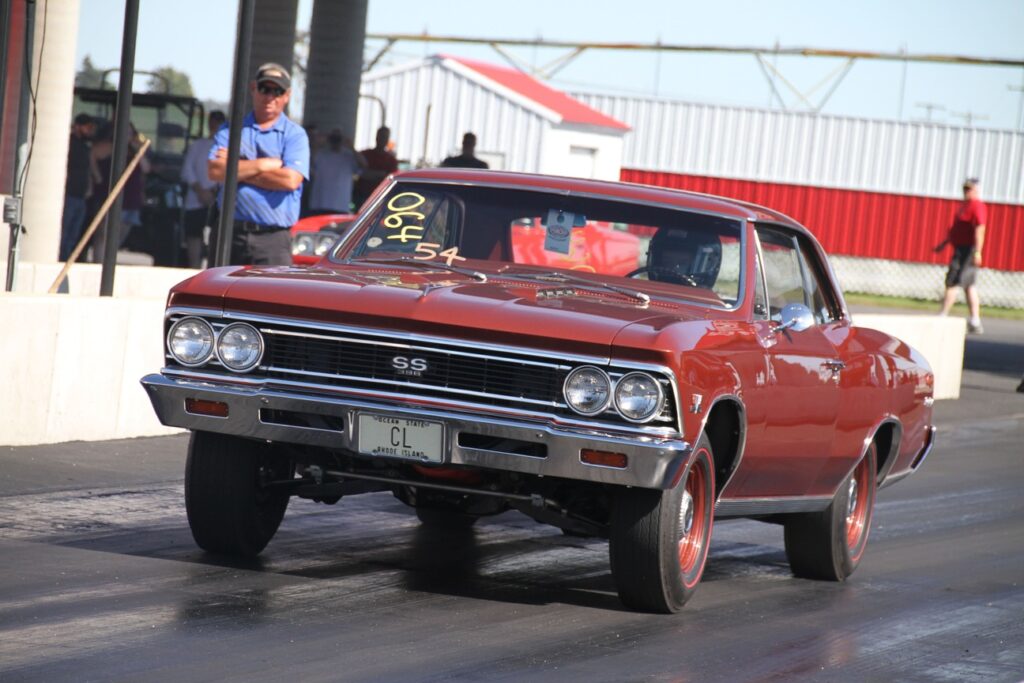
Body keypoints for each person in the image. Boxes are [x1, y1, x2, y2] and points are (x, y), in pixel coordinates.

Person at [207, 62, 309, 266]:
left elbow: (290, 180)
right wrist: (263, 164)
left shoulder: (294, 135)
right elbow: (215, 170)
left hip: (273, 240)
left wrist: (237, 168)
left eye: (277, 91)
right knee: (219, 296)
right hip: (229, 234)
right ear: (254, 89)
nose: (270, 96)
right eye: (264, 89)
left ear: (286, 96)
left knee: (271, 298)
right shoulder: (230, 129)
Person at [86, 121, 150, 262]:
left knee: (119, 235)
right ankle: (98, 263)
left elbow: (146, 168)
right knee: (104, 233)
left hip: (131, 199)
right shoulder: (109, 147)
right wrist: (96, 176)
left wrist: (138, 151)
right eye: (124, 132)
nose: (127, 136)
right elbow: (92, 154)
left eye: (129, 133)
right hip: (110, 197)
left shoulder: (135, 150)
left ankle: (108, 261)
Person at [935, 177, 987, 334]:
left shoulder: (977, 206)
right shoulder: (965, 206)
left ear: (976, 190)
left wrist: (977, 251)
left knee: (953, 281)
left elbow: (980, 229)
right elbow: (957, 229)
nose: (965, 192)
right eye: (964, 188)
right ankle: (975, 320)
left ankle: (943, 315)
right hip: (960, 248)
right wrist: (944, 243)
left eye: (969, 189)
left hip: (967, 250)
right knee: (968, 285)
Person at [181, 110, 226, 268]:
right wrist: (200, 190)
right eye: (213, 120)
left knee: (215, 236)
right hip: (196, 199)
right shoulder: (198, 145)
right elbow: (187, 169)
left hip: (216, 200)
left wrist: (213, 192)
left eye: (219, 121)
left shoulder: (226, 147)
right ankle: (194, 267)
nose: (215, 124)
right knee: (194, 236)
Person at [59, 113, 96, 261]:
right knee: (65, 232)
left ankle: (67, 258)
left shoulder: (86, 145)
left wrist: (89, 186)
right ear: (78, 126)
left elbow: (87, 169)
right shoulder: (69, 143)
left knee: (74, 234)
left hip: (81, 195)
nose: (89, 131)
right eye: (87, 127)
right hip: (69, 194)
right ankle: (61, 259)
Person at [308, 128, 367, 214]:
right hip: (319, 204)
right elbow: (309, 162)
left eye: (338, 138)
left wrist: (351, 147)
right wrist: (318, 143)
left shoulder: (349, 156)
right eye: (333, 137)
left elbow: (364, 165)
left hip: (341, 205)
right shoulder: (320, 153)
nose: (335, 140)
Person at [352, 126, 398, 211]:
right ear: (376, 137)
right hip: (362, 195)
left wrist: (371, 174)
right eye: (380, 136)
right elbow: (358, 173)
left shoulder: (391, 160)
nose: (382, 139)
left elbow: (389, 179)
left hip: (380, 198)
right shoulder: (365, 154)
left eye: (384, 137)